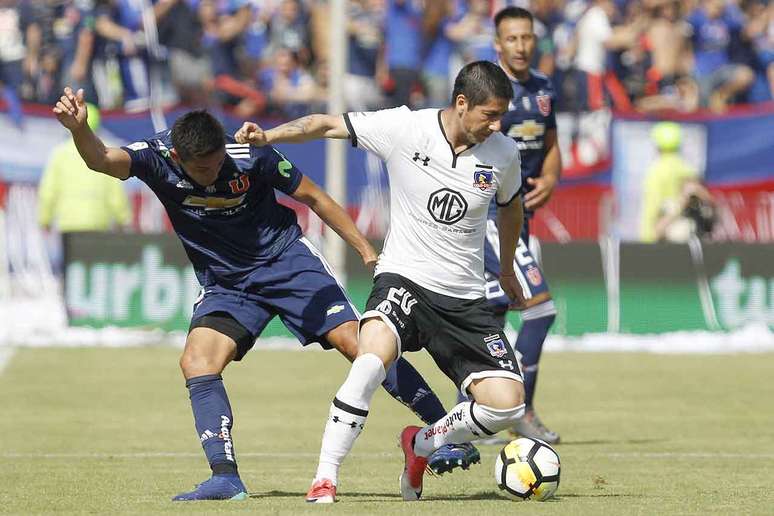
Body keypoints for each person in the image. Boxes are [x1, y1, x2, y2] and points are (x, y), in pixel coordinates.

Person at [51, 86, 477, 502]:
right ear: (178, 158)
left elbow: (315, 197)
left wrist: (367, 252)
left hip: (287, 263)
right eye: (203, 170)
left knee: (359, 344)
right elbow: (101, 159)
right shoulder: (155, 157)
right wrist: (78, 129)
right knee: (197, 361)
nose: (214, 174)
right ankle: (225, 478)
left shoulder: (249, 154)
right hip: (227, 284)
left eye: (218, 163)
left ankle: (446, 431)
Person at [235, 60, 527, 503]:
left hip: (464, 298)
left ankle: (422, 443)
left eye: (501, 115)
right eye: (490, 115)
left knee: (508, 403)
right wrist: (268, 137)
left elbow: (511, 209)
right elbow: (325, 123)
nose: (497, 125)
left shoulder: (504, 154)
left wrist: (505, 270)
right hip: (403, 280)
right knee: (370, 361)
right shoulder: (405, 128)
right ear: (461, 103)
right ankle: (325, 478)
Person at [481, 5, 562, 444]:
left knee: (494, 311)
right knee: (540, 310)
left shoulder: (544, 87)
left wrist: (550, 177)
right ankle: (522, 410)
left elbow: (551, 144)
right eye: (511, 38)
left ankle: (475, 411)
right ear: (498, 44)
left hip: (519, 216)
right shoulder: (488, 88)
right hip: (490, 214)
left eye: (526, 37)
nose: (520, 45)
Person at [39, 103, 132, 234]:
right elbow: (115, 192)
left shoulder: (60, 153)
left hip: (68, 225)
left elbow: (49, 190)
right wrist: (123, 219)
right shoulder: (106, 153)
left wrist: (45, 219)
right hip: (98, 223)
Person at [640, 121, 714, 243]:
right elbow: (707, 202)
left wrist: (647, 238)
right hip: (689, 237)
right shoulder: (688, 169)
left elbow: (651, 210)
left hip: (660, 237)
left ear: (657, 145)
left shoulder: (654, 172)